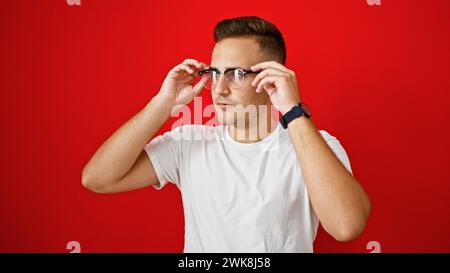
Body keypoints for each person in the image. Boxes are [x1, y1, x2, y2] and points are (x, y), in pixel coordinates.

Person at [81, 16, 371, 253]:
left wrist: (291, 110)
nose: (219, 89)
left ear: (270, 77)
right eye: (215, 74)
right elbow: (97, 179)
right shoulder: (188, 142)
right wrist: (163, 104)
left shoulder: (315, 146)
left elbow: (347, 225)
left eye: (235, 75)